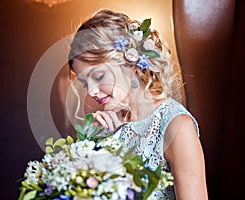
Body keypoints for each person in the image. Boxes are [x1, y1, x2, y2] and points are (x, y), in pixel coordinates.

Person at [68, 9, 208, 200]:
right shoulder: (102, 126)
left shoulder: (176, 126)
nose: (91, 91)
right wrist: (91, 146)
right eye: (85, 83)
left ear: (130, 64)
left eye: (99, 76)